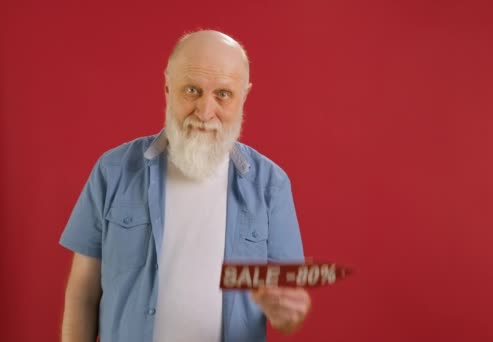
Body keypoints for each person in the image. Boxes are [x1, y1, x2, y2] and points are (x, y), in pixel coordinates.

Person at [59, 30, 311, 342]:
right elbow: (82, 292)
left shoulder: (271, 185)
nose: (205, 112)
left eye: (223, 94)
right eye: (192, 90)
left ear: (244, 95)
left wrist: (289, 313)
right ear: (167, 87)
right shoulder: (113, 172)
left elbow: (288, 301)